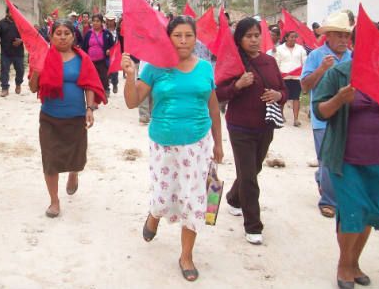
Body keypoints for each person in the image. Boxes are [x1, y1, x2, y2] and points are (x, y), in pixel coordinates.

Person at [122, 15, 223, 282]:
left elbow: (213, 108)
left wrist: (220, 145)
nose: (183, 41)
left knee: (193, 199)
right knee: (164, 196)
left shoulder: (205, 68)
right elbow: (133, 102)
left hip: (198, 144)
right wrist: (130, 76)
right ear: (168, 38)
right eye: (177, 35)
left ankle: (186, 255)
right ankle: (154, 214)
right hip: (163, 143)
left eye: (188, 35)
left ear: (195, 38)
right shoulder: (154, 67)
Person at [312, 54, 379, 289]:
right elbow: (319, 110)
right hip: (347, 159)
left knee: (371, 212)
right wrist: (340, 99)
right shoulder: (339, 74)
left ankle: (355, 263)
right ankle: (344, 264)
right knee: (352, 212)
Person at [216, 17, 287, 245]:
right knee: (249, 177)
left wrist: (278, 96)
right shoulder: (233, 62)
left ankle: (234, 198)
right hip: (240, 127)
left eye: (257, 35)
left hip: (265, 125)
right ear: (240, 39)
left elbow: (283, 89)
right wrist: (238, 85)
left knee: (253, 170)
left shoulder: (269, 61)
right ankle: (253, 225)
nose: (254, 40)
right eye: (249, 36)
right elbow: (218, 93)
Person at [29, 20, 105, 218]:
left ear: (73, 36)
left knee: (76, 157)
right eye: (58, 33)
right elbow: (33, 88)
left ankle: (74, 172)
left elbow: (89, 84)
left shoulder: (83, 59)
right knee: (50, 160)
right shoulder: (43, 57)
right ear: (51, 36)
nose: (62, 37)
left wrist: (89, 108)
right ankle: (54, 201)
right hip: (49, 118)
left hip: (76, 117)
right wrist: (36, 72)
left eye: (66, 33)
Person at [301, 11, 353, 219]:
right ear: (328, 36)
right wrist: (322, 69)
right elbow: (304, 86)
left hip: (348, 118)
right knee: (327, 159)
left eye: (346, 35)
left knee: (343, 157)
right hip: (322, 118)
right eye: (339, 35)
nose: (343, 40)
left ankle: (324, 180)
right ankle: (329, 200)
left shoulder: (354, 57)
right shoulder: (316, 56)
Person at [0, 7, 24, 97]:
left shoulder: (21, 23)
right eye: (12, 12)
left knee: (20, 70)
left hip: (18, 53)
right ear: (7, 12)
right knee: (4, 70)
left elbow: (27, 36)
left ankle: (18, 84)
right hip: (6, 52)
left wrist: (20, 41)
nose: (14, 14)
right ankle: (5, 88)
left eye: (15, 12)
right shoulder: (1, 23)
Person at [275, 31, 307, 126]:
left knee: (296, 97)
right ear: (286, 38)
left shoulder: (300, 49)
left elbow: (305, 62)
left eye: (295, 37)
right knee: (283, 97)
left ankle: (296, 119)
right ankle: (281, 115)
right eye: (291, 37)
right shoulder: (279, 49)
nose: (293, 39)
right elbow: (276, 62)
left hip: (297, 77)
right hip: (284, 77)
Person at [82, 13, 114, 97]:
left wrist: (109, 50)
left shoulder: (106, 33)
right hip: (90, 61)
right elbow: (84, 47)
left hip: (103, 60)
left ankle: (105, 89)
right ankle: (94, 98)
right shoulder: (88, 34)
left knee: (104, 78)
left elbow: (113, 46)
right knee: (92, 79)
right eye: (94, 21)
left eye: (97, 21)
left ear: (101, 22)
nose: (95, 23)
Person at [106, 13, 120, 93]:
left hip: (116, 53)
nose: (110, 22)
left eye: (111, 20)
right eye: (108, 20)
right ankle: (107, 88)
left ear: (114, 20)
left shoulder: (118, 30)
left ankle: (115, 84)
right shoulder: (104, 30)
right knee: (106, 71)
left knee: (115, 71)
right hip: (107, 53)